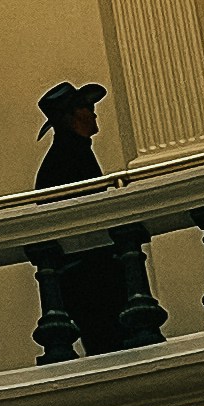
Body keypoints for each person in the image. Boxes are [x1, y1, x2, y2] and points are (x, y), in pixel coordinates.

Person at [29, 82, 134, 354]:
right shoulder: (67, 157)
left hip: (92, 274)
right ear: (72, 116)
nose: (95, 113)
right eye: (88, 108)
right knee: (107, 345)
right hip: (91, 278)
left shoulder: (72, 152)